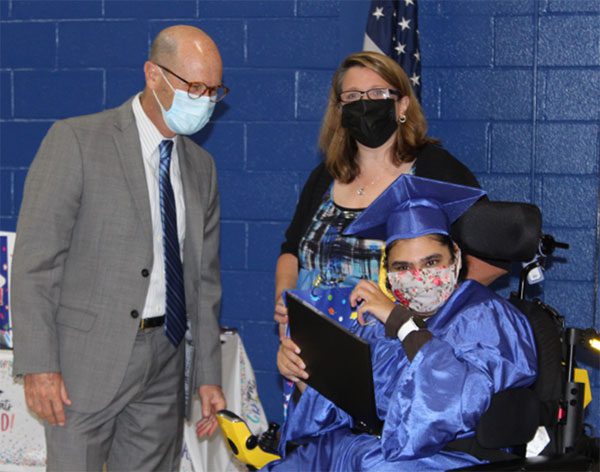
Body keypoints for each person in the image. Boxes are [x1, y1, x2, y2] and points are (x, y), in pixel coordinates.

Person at [11, 25, 227, 471]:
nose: (205, 100)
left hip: (164, 365)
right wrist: (38, 365)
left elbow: (203, 282)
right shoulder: (76, 141)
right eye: (195, 87)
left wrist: (207, 375)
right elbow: (35, 265)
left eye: (214, 90)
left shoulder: (201, 168)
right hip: (83, 367)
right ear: (154, 75)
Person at [275, 51, 506, 398]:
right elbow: (291, 251)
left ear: (402, 106)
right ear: (340, 111)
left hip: (393, 360)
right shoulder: (325, 176)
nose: (365, 105)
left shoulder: (434, 169)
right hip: (315, 360)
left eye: (378, 94)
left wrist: (426, 304)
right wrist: (286, 310)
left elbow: (495, 258)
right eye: (352, 97)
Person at [269, 175, 538, 470]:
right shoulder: (373, 324)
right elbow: (344, 409)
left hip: (447, 457)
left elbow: (455, 401)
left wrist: (403, 325)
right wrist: (304, 374)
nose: (418, 276)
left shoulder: (485, 316)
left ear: (456, 257)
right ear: (387, 271)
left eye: (431, 262)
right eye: (402, 267)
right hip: (368, 451)